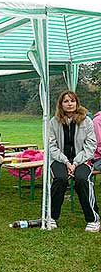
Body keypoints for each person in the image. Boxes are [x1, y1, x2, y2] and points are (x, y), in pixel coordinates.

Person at [49, 90, 100, 232]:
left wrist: (76, 163)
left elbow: (91, 146)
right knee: (60, 179)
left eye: (72, 100)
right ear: (61, 104)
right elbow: (51, 146)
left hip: (82, 160)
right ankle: (51, 217)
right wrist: (66, 162)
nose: (69, 103)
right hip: (60, 160)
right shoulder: (54, 122)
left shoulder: (86, 121)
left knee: (82, 179)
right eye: (66, 101)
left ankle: (93, 219)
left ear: (77, 103)